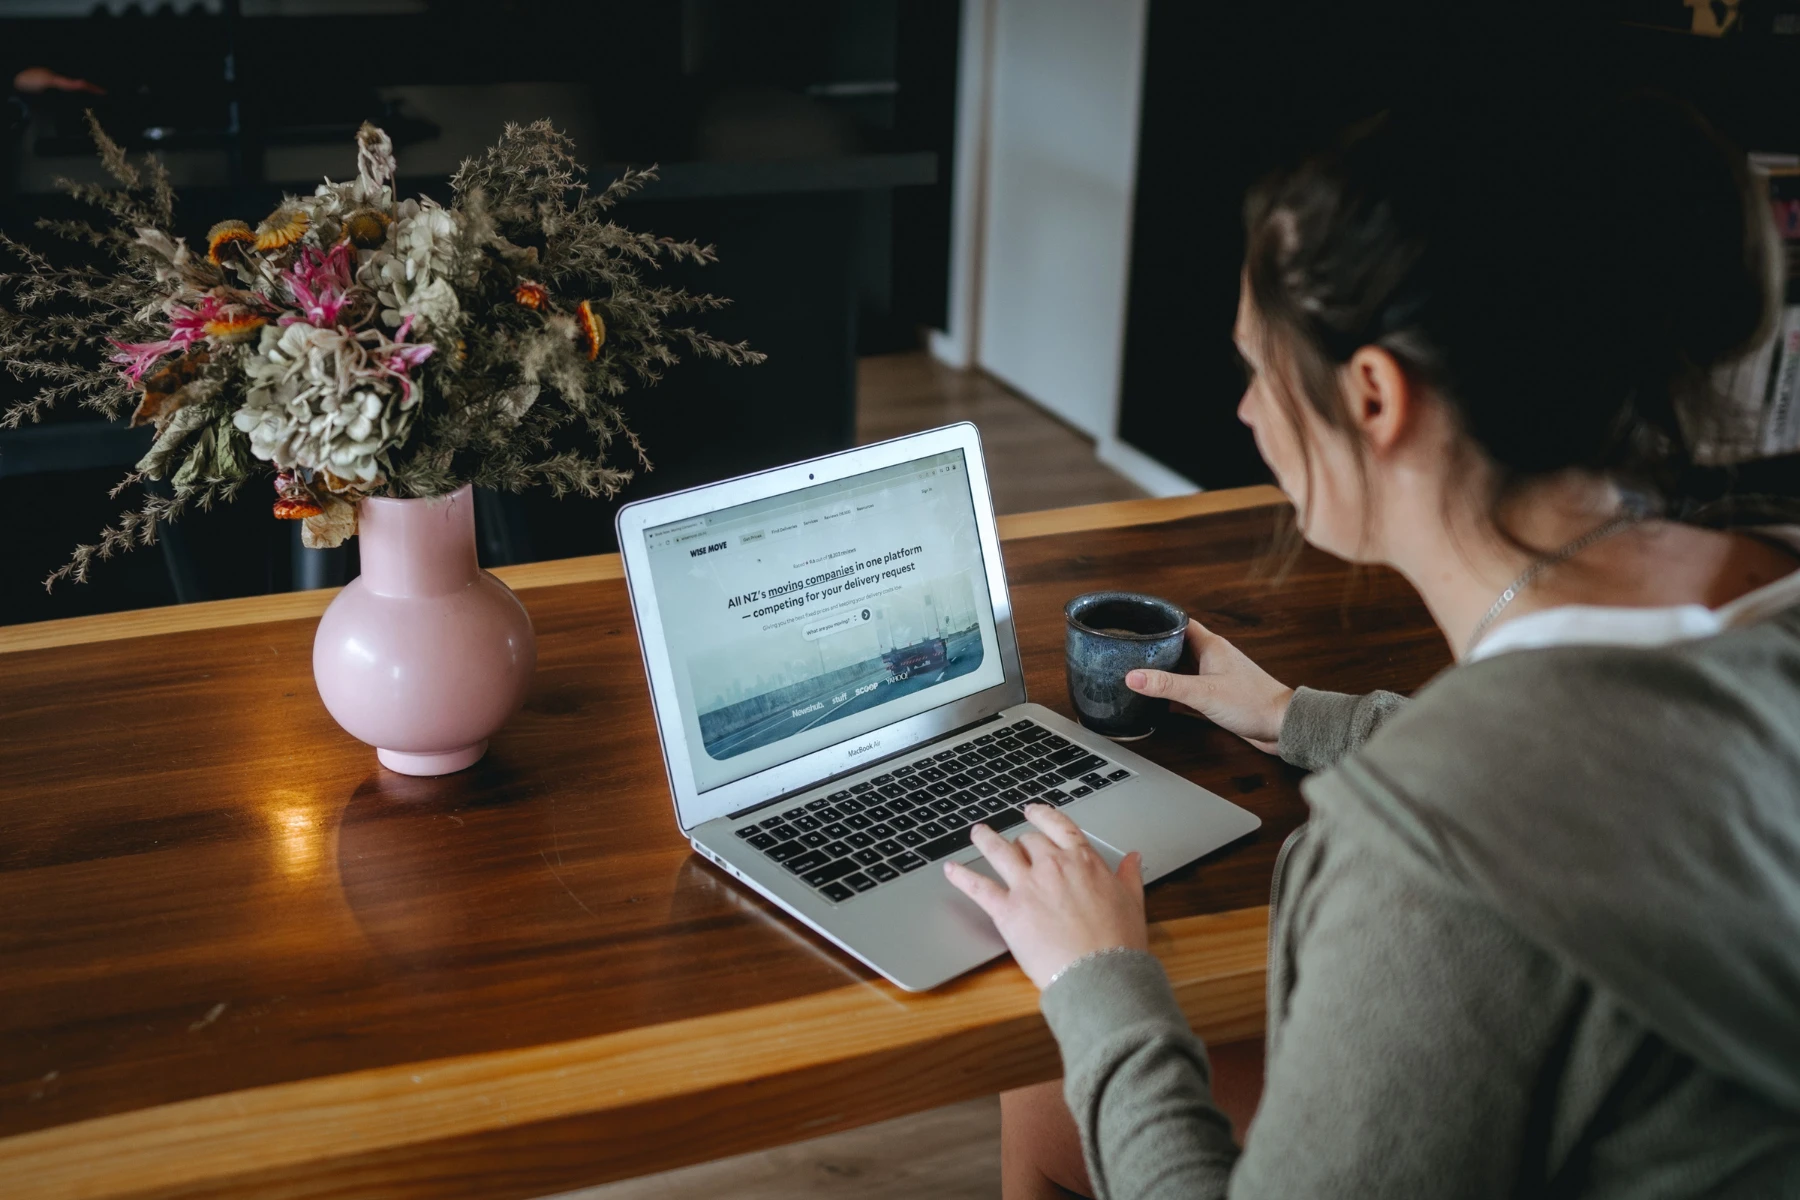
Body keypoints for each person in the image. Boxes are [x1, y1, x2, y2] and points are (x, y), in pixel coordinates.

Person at [944, 92, 1800, 1199]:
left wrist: (1101, 976)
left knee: (1056, 1054)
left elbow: (1491, 831)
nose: (1250, 411)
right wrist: (1297, 715)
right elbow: (1626, 783)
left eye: (1260, 369)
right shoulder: (1763, 592)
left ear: (1376, 393)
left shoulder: (1427, 864)